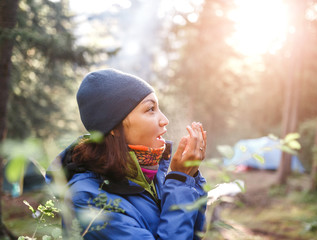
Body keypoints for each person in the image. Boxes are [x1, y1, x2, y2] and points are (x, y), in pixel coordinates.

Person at [46, 69, 207, 239]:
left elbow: (192, 234)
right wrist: (180, 182)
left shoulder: (150, 174)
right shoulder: (88, 199)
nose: (164, 120)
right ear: (114, 127)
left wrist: (190, 177)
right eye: (150, 109)